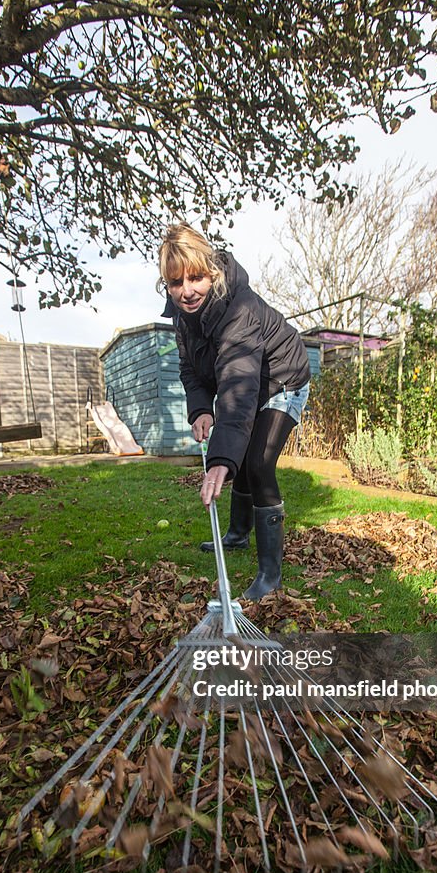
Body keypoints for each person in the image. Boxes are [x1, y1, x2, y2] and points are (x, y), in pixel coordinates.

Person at [158, 222, 310, 600]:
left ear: (212, 273)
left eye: (195, 278)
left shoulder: (239, 309)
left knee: (256, 463)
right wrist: (200, 410)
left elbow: (238, 383)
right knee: (242, 454)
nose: (187, 291)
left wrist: (222, 456)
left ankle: (270, 576)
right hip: (250, 383)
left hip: (281, 379)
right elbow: (191, 369)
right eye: (176, 283)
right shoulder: (182, 317)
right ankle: (238, 536)